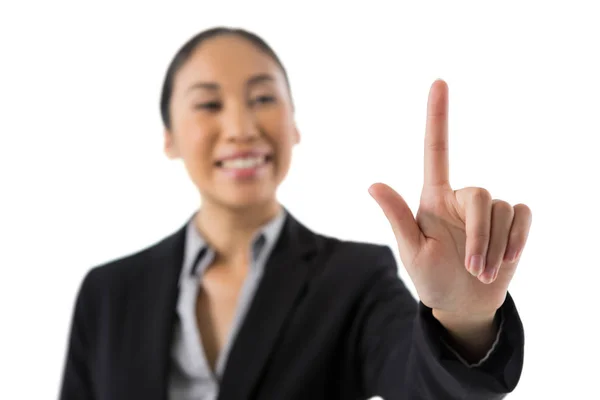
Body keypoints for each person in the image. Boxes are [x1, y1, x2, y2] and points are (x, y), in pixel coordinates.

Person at [59, 27, 532, 400]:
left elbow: (422, 386)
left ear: (294, 124)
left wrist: (462, 318)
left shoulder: (353, 279)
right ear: (169, 138)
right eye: (208, 104)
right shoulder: (107, 293)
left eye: (263, 98)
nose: (242, 128)